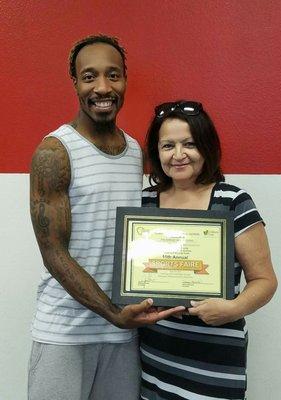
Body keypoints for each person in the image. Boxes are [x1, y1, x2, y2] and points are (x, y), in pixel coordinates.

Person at [28, 35, 183, 400]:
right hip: (65, 333)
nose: (102, 87)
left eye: (113, 75)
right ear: (75, 82)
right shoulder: (54, 151)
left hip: (122, 334)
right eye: (89, 76)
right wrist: (113, 312)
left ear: (125, 80)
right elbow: (54, 254)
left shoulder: (134, 151)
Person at [139, 100, 278, 400]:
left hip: (215, 362)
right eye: (168, 146)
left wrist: (233, 308)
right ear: (156, 152)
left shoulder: (233, 201)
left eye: (189, 144)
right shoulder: (145, 203)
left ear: (206, 146)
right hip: (156, 357)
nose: (178, 155)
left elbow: (265, 281)